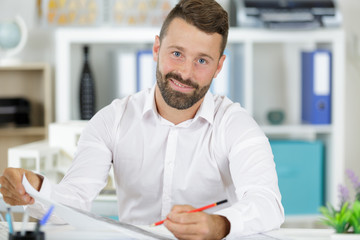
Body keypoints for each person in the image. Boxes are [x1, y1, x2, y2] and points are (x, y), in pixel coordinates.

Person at [0, 0, 284, 239]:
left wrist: (219, 224)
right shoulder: (112, 120)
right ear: (156, 49)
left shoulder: (236, 125)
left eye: (202, 61)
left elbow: (268, 204)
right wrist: (34, 188)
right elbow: (70, 206)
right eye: (176, 54)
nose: (185, 73)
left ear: (219, 66)